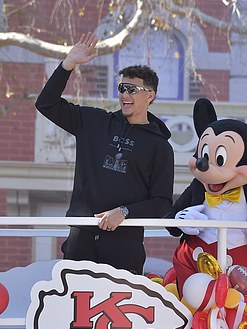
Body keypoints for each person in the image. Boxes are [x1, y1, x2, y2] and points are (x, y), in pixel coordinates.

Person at [35, 32, 174, 274]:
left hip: (124, 246)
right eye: (122, 88)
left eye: (132, 89)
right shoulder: (94, 122)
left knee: (118, 312)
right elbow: (46, 104)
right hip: (81, 239)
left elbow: (162, 202)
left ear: (149, 95)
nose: (124, 95)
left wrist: (125, 212)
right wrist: (69, 63)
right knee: (73, 311)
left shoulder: (160, 146)